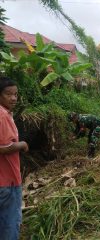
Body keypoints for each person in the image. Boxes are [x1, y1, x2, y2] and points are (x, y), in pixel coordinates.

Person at [0, 77, 29, 239]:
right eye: (8, 94)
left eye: (16, 94)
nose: (13, 98)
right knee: (10, 224)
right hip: (7, 181)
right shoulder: (2, 116)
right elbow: (4, 148)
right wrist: (23, 144)